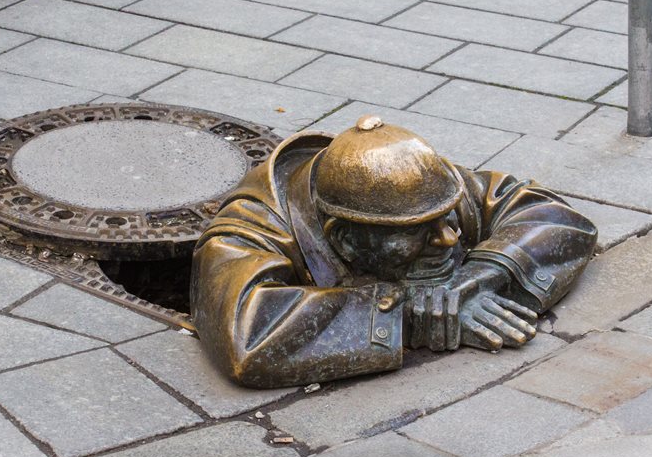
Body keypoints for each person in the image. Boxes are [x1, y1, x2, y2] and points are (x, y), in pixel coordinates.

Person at [190, 116, 597, 388]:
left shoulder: (424, 184)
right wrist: (406, 314)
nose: (449, 238)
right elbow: (246, 335)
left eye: (447, 219)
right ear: (345, 239)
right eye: (418, 233)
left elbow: (557, 218)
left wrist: (482, 273)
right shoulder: (248, 229)